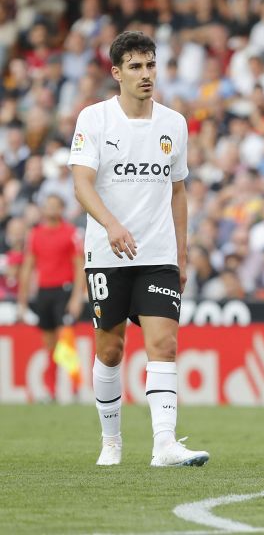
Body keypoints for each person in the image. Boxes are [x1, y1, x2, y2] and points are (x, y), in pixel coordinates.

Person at [68, 30, 209, 467]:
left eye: (150, 64)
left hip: (159, 255)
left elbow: (179, 191)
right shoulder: (94, 119)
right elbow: (81, 183)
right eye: (135, 66)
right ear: (116, 73)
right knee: (110, 350)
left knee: (163, 344)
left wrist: (181, 255)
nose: (146, 74)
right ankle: (111, 442)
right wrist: (110, 224)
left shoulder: (174, 123)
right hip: (108, 254)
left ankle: (164, 445)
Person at [17, 194, 85, 401]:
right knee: (49, 345)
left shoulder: (70, 233)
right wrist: (22, 301)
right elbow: (28, 268)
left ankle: (74, 388)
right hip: (44, 293)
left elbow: (78, 267)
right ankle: (51, 390)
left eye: (55, 206)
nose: (51, 209)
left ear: (61, 208)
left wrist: (76, 297)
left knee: (65, 339)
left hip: (63, 291)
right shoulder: (35, 234)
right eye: (48, 206)